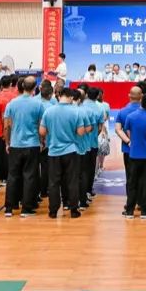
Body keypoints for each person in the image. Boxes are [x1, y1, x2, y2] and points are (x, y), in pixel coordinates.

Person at [40, 87, 86, 219]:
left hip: (53, 151)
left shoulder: (49, 111)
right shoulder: (76, 111)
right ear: (71, 97)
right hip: (71, 150)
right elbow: (81, 132)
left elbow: (42, 132)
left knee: (53, 182)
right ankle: (73, 210)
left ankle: (53, 211)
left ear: (59, 96)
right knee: (72, 181)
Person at [3, 76, 45, 218]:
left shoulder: (12, 103)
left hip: (15, 144)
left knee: (12, 176)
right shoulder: (38, 104)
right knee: (30, 176)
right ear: (35, 88)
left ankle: (9, 207)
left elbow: (7, 126)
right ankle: (26, 208)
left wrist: (7, 142)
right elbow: (40, 126)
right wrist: (41, 142)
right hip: (32, 144)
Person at [123, 93, 146, 219]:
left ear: (141, 101)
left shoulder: (130, 116)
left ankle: (129, 211)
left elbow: (128, 133)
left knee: (132, 183)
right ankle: (144, 211)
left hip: (134, 155)